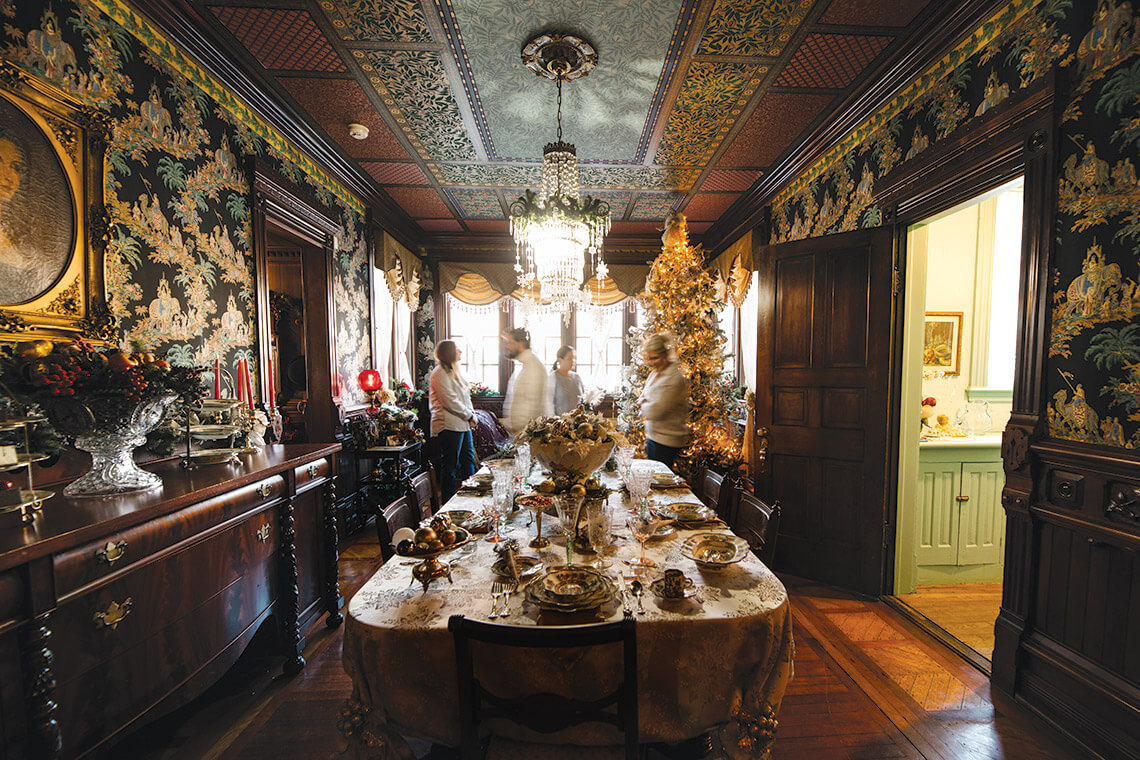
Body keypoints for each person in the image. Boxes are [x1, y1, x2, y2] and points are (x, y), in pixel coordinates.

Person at [428, 340, 477, 503]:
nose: (461, 351)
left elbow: (465, 397)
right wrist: (468, 416)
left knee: (468, 461)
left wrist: (472, 415)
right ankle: (448, 503)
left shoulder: (454, 371)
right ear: (449, 352)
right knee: (450, 466)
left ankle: (470, 496)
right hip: (448, 425)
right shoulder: (439, 373)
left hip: (462, 424)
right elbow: (450, 400)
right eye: (457, 349)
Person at [637, 333, 690, 468]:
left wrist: (644, 405)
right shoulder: (654, 374)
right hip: (653, 436)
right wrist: (646, 403)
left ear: (665, 356)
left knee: (659, 479)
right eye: (649, 359)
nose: (651, 362)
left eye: (655, 358)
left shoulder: (674, 379)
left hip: (666, 440)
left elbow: (656, 411)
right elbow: (643, 396)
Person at [501, 327, 547, 436]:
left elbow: (532, 404)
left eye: (509, 343)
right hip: (519, 433)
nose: (506, 346)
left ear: (521, 344)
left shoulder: (533, 368)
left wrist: (518, 428)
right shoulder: (523, 366)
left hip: (527, 434)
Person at [548, 345, 585, 415]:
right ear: (560, 359)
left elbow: (583, 401)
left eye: (574, 358)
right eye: (569, 358)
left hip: (578, 422)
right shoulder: (552, 377)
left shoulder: (577, 378)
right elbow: (549, 404)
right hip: (559, 423)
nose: (573, 361)